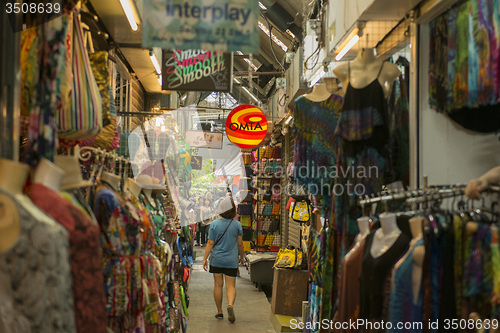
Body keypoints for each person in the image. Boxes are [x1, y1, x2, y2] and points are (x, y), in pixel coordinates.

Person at [202, 198, 245, 323]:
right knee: (230, 286)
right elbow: (240, 244)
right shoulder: (237, 224)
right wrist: (242, 257)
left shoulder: (214, 224)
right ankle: (230, 305)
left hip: (217, 260)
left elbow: (210, 243)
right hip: (231, 260)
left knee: (218, 285)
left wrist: (204, 259)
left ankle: (219, 312)